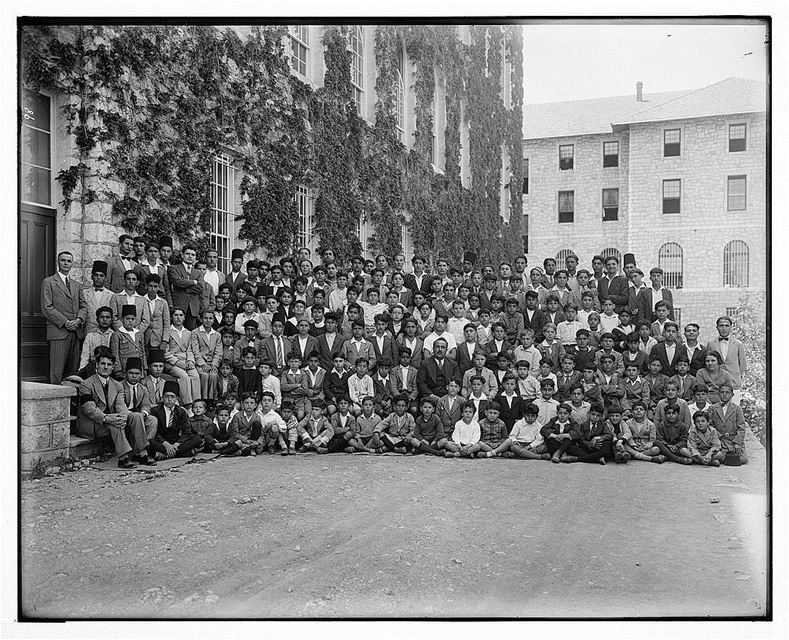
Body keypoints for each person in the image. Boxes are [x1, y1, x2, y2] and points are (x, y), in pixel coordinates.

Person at [77, 352, 155, 468]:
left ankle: (143, 453)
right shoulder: (86, 384)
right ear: (97, 365)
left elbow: (120, 406)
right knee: (115, 424)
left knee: (137, 416)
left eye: (109, 364)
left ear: (113, 367)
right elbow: (90, 409)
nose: (105, 367)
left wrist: (123, 416)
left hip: (110, 420)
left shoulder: (117, 385)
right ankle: (123, 458)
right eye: (103, 363)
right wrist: (107, 418)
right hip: (93, 423)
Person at [41, 251, 86, 383]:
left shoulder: (76, 285)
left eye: (68, 261)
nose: (66, 263)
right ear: (58, 262)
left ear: (72, 264)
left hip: (75, 332)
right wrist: (65, 322)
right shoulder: (49, 282)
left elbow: (84, 306)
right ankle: (56, 401)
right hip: (59, 332)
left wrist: (78, 320)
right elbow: (47, 307)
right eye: (63, 260)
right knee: (57, 371)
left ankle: (70, 402)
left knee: (72, 372)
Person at [148, 380, 203, 459]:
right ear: (162, 397)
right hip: (161, 440)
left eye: (172, 397)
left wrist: (175, 445)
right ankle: (184, 453)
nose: (169, 399)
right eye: (166, 396)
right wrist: (166, 444)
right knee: (149, 442)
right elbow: (155, 432)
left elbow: (187, 432)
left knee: (197, 439)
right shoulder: (156, 410)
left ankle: (165, 455)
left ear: (176, 398)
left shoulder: (181, 411)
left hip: (175, 441)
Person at [163, 308, 201, 410]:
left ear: (184, 318)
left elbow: (190, 350)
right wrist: (176, 362)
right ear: (172, 317)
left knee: (195, 376)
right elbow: (165, 352)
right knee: (184, 376)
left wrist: (190, 361)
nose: (178, 317)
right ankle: (187, 405)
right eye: (176, 315)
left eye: (181, 315)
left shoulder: (188, 333)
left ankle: (197, 404)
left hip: (186, 361)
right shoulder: (168, 331)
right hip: (172, 362)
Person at [707, 316, 748, 404]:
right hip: (717, 385)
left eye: (727, 325)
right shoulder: (711, 343)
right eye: (721, 325)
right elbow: (708, 363)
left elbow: (743, 365)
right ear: (717, 327)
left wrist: (736, 377)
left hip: (734, 384)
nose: (724, 328)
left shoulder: (738, 344)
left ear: (731, 327)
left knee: (733, 411)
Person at [709, 384, 748, 465]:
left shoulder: (737, 409)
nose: (724, 394)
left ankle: (721, 458)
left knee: (743, 459)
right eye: (722, 392)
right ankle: (725, 458)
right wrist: (717, 436)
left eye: (727, 392)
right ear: (718, 393)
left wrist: (737, 443)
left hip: (732, 440)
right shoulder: (712, 408)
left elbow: (742, 427)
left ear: (732, 395)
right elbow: (710, 425)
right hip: (719, 440)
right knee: (717, 453)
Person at [417, 338, 462, 404]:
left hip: (449, 396)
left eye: (443, 347)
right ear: (433, 349)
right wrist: (431, 395)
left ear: (446, 350)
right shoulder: (425, 363)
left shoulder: (453, 364)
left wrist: (449, 396)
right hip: (430, 397)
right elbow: (421, 383)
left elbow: (458, 381)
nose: (440, 349)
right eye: (437, 347)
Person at [168, 245, 203, 330]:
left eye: (193, 255)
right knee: (176, 330)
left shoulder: (198, 272)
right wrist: (193, 282)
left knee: (191, 333)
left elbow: (200, 288)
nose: (190, 256)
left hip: (193, 308)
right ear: (182, 255)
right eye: (187, 254)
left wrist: (184, 287)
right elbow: (177, 282)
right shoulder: (174, 268)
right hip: (179, 306)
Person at [191, 309, 222, 401]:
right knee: (204, 375)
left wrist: (214, 364)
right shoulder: (195, 332)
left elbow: (218, 352)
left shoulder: (217, 335)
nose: (208, 320)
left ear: (213, 320)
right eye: (205, 318)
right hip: (201, 363)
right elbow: (195, 350)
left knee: (213, 375)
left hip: (212, 362)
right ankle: (203, 399)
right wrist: (203, 364)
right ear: (201, 319)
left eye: (210, 318)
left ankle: (212, 400)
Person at [110, 304, 147, 379]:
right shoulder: (117, 334)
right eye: (127, 319)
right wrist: (118, 370)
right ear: (122, 319)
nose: (130, 321)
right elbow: (115, 354)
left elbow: (143, 352)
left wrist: (145, 367)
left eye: (132, 319)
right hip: (125, 368)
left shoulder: (139, 334)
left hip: (138, 367)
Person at [80, 260, 115, 336]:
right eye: (96, 275)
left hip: (106, 333)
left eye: (101, 276)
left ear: (106, 278)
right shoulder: (84, 293)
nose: (98, 278)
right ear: (92, 277)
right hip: (88, 332)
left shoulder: (112, 295)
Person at [79, 306, 115, 372]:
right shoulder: (90, 336)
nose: (105, 320)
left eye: (107, 317)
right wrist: (82, 372)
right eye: (102, 317)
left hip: (110, 369)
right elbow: (85, 357)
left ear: (111, 319)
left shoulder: (115, 335)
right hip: (93, 369)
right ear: (97, 320)